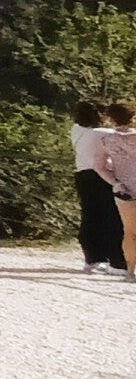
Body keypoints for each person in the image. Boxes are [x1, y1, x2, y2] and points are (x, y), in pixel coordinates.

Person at [70, 102, 125, 273]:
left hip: (83, 175)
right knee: (112, 217)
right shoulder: (105, 133)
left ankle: (93, 257)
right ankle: (115, 258)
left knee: (90, 215)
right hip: (103, 176)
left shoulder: (77, 131)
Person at [92, 102, 136, 282]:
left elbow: (99, 167)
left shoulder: (106, 141)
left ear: (111, 119)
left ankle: (131, 270)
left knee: (130, 231)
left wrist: (115, 182)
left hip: (124, 189)